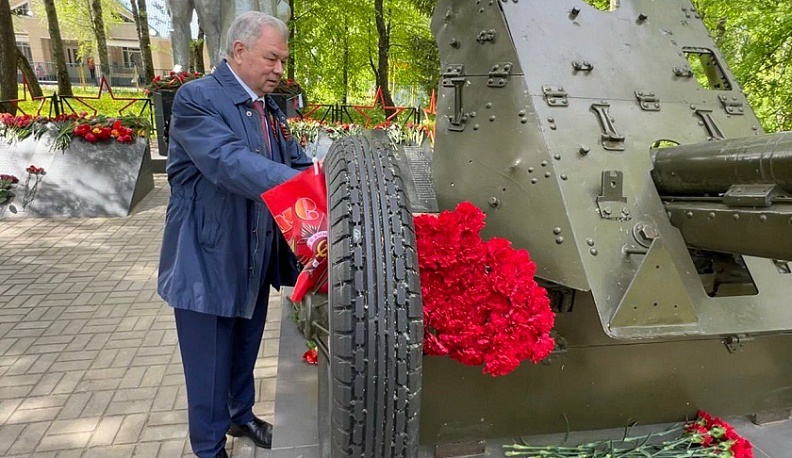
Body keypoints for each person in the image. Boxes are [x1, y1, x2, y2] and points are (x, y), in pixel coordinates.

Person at [157, 11, 311, 458]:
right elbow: (226, 161)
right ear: (239, 51)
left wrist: (332, 183)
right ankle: (208, 447)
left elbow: (297, 160)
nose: (280, 70)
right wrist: (297, 185)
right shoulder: (197, 98)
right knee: (208, 366)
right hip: (205, 259)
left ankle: (240, 416)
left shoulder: (268, 108)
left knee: (244, 350)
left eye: (283, 61)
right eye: (272, 58)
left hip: (253, 254)